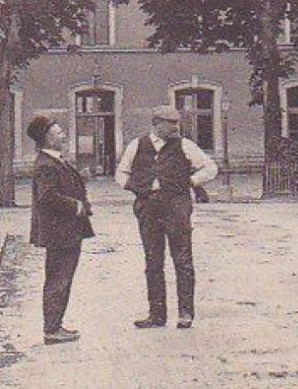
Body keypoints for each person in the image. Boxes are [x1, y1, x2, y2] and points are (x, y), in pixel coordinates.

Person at [116, 105, 218, 329]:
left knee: (182, 260)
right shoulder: (137, 145)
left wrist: (190, 182)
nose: (176, 126)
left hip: (176, 207)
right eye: (171, 122)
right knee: (153, 261)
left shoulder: (185, 145)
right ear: (156, 123)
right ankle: (156, 314)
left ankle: (185, 313)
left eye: (177, 122)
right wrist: (137, 188)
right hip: (148, 207)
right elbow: (121, 173)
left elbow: (210, 168)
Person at [27, 115, 94, 344]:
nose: (63, 136)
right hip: (59, 232)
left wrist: (80, 179)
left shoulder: (54, 160)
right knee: (58, 279)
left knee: (61, 278)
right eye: (57, 134)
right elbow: (47, 197)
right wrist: (76, 205)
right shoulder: (46, 164)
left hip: (65, 230)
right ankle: (52, 329)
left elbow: (59, 186)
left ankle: (55, 325)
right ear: (45, 139)